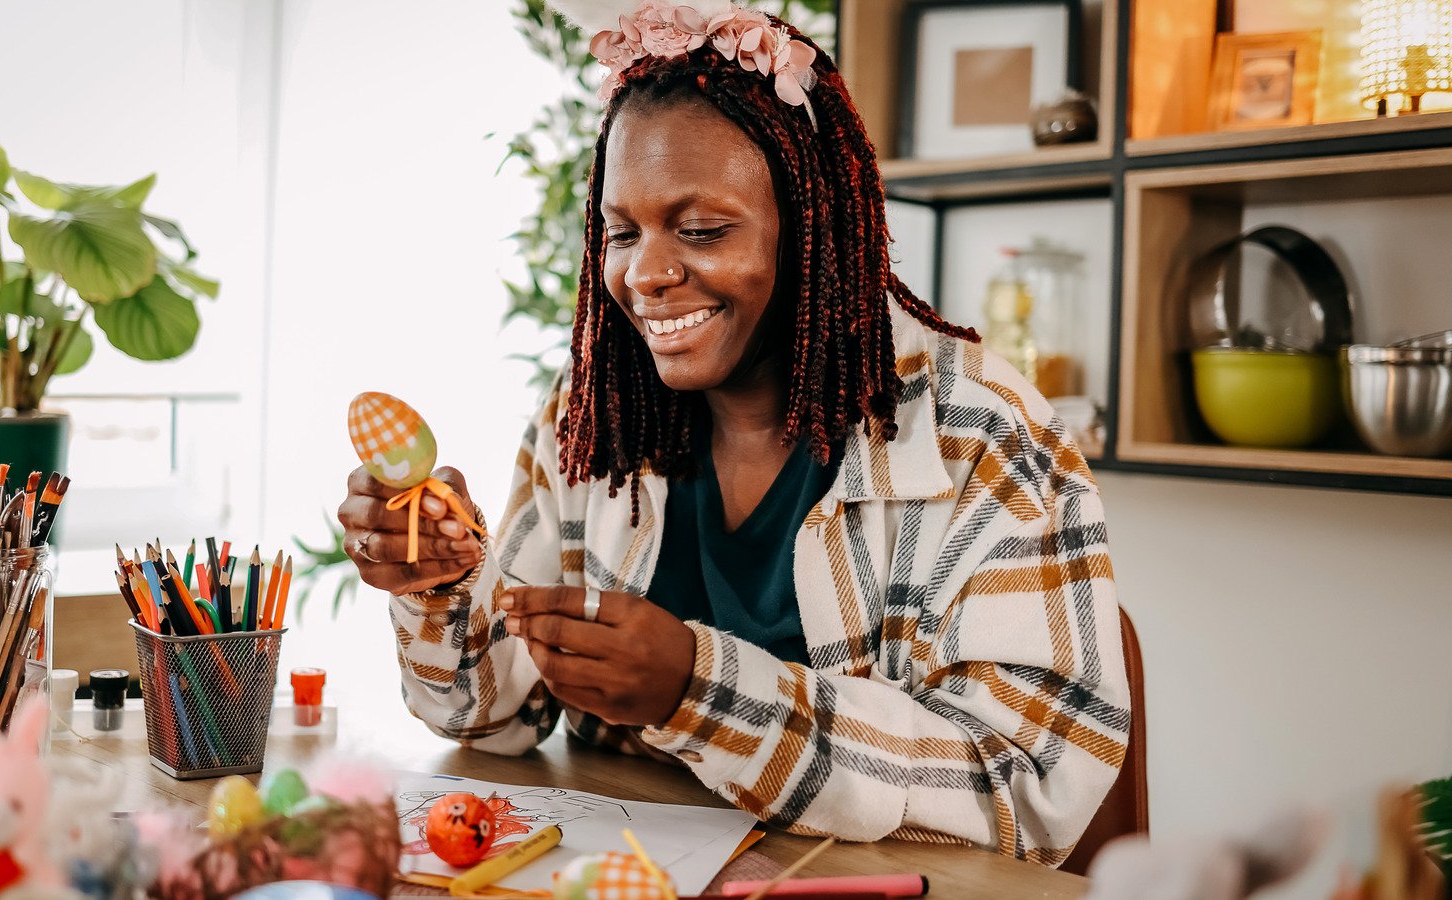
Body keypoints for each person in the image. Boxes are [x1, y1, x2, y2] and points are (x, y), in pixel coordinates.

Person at [340, 0, 1129, 863]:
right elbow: (494, 722)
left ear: (813, 225)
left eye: (703, 229)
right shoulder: (592, 416)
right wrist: (445, 590)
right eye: (620, 231)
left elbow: (1026, 784)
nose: (646, 273)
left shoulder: (976, 434)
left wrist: (697, 688)